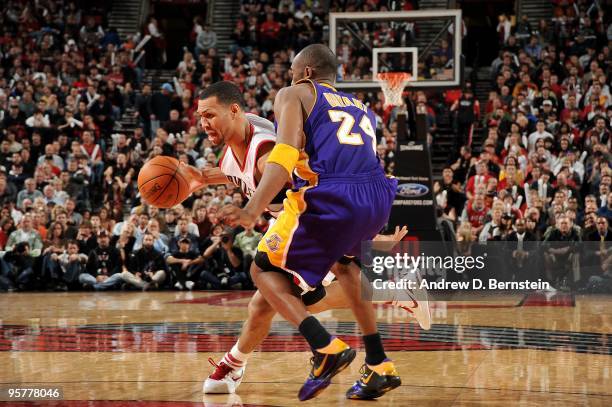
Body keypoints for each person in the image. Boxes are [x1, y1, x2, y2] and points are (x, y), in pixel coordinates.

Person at [191, 80, 429, 396]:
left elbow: (286, 174)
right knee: (274, 300)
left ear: (234, 111)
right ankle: (233, 366)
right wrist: (201, 177)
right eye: (201, 117)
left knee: (270, 289)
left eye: (210, 114)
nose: (204, 123)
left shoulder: (266, 149)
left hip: (315, 217)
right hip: (328, 212)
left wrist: (249, 211)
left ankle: (239, 364)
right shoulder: (234, 152)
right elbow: (238, 172)